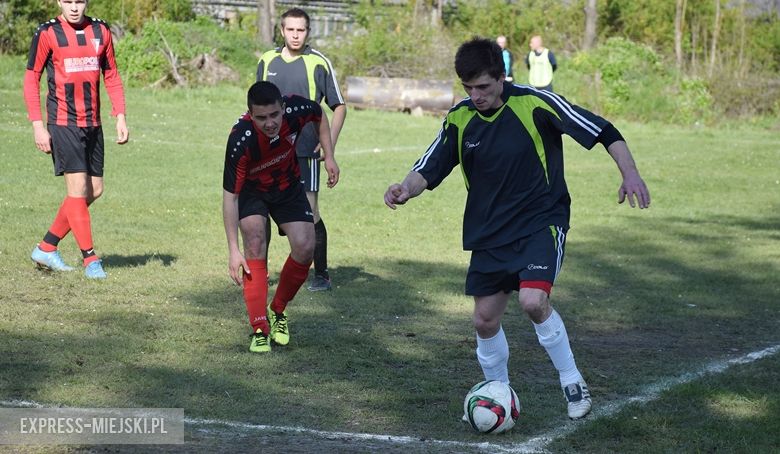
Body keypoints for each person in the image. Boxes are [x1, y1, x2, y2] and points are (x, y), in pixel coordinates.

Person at [384, 38, 650, 420]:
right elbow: (431, 164)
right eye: (468, 88)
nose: (476, 96)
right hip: (490, 233)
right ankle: (499, 393)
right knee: (484, 319)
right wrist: (405, 189)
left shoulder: (535, 103)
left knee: (532, 302)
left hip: (541, 223)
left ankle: (572, 381)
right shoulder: (460, 117)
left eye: (484, 87)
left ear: (501, 77)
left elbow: (604, 129)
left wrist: (631, 174)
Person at [223, 81, 339, 353]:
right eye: (261, 118)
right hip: (252, 192)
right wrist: (232, 249)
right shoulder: (241, 139)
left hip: (287, 185)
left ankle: (278, 310)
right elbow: (230, 197)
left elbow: (319, 115)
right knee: (254, 240)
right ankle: (259, 329)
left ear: (283, 108)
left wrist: (330, 155)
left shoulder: (297, 109)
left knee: (305, 245)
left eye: (274, 115)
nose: (270, 123)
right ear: (250, 114)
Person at [24, 0, 129, 279]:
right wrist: (37, 125)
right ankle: (90, 260)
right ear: (59, 2)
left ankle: (47, 246)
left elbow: (112, 74)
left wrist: (120, 115)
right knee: (77, 190)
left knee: (94, 190)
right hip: (62, 123)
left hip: (93, 124)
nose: (74, 7)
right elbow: (31, 77)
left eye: (79, 1)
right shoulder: (47, 33)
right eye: (68, 1)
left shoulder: (101, 31)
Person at [256, 7, 347, 292]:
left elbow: (339, 106)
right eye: (291, 30)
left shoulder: (318, 63)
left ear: (308, 32)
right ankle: (260, 272)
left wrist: (328, 146)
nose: (296, 35)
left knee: (309, 212)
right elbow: (256, 106)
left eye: (301, 30)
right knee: (263, 209)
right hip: (269, 152)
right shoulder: (266, 61)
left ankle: (321, 275)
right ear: (281, 31)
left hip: (305, 152)